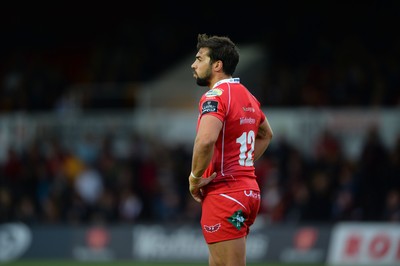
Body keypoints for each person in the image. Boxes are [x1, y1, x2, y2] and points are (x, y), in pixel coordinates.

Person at [188, 33, 274, 266]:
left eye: (199, 58)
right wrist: (241, 162)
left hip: (225, 194)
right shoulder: (248, 96)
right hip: (247, 192)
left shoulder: (215, 96)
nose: (193, 64)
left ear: (217, 65)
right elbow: (266, 134)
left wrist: (195, 178)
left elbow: (205, 141)